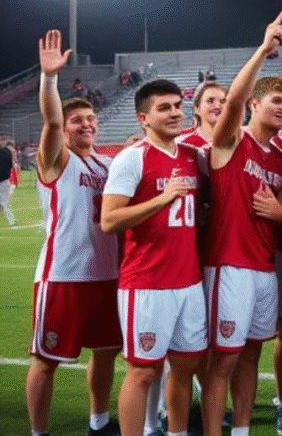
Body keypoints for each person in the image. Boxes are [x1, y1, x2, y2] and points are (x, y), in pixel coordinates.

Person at [202, 7, 282, 436]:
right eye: (276, 100)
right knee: (223, 360)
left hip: (263, 269)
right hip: (229, 266)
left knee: (252, 357)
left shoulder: (281, 159)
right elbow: (234, 101)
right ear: (254, 105)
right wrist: (263, 50)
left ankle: (241, 430)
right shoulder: (230, 141)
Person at [25, 30, 121, 436]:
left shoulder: (107, 165)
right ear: (65, 130)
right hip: (64, 274)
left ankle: (99, 421)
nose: (87, 124)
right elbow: (50, 119)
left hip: (108, 276)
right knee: (47, 360)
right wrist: (50, 78)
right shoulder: (57, 161)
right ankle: (38, 432)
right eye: (78, 120)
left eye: (91, 119)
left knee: (106, 352)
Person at [101, 79, 207, 436]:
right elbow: (109, 220)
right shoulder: (132, 157)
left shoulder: (191, 156)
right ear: (143, 118)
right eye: (164, 108)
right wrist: (161, 199)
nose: (175, 113)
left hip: (189, 282)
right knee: (143, 371)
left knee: (185, 367)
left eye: (178, 105)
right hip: (147, 284)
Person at [0, 136, 15, 226]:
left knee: (4, 203)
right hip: (5, 179)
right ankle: (11, 221)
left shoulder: (6, 152)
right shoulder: (7, 152)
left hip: (3, 179)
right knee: (5, 202)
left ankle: (11, 221)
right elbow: (11, 165)